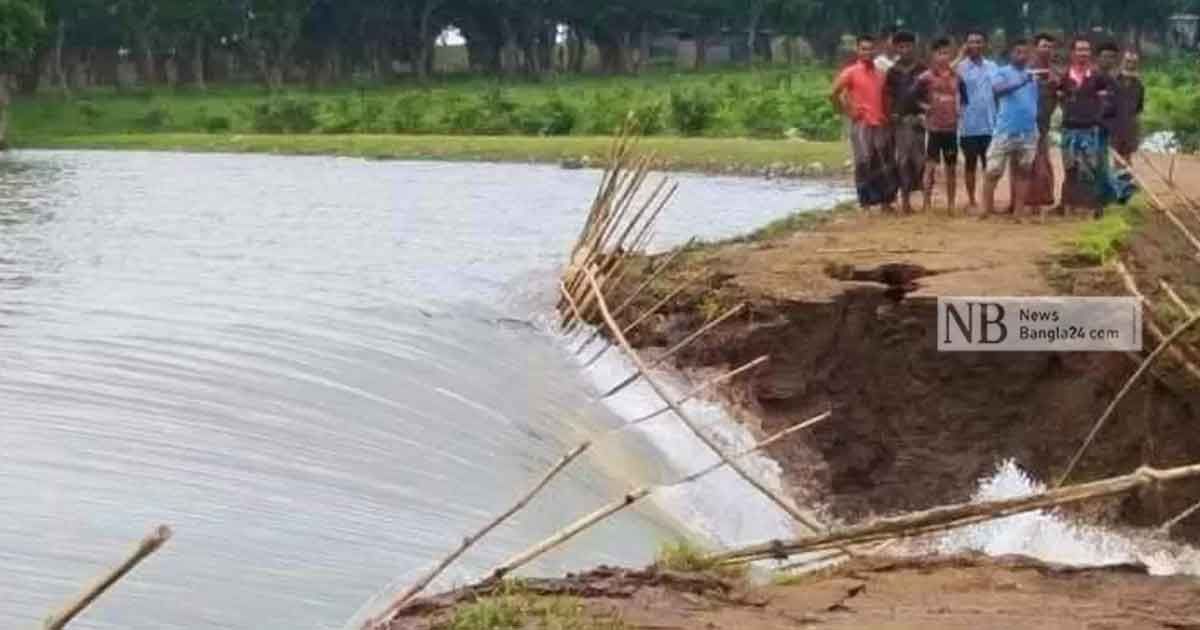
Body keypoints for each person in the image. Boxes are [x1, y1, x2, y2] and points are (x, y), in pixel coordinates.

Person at [832, 35, 898, 211]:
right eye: (863, 49)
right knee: (863, 162)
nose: (867, 52)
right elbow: (833, 93)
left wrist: (890, 117)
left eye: (870, 49)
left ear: (874, 50)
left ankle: (885, 202)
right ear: (857, 50)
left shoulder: (880, 73)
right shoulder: (851, 71)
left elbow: (886, 97)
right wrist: (847, 111)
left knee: (884, 162)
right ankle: (865, 203)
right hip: (861, 124)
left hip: (881, 123)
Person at [1059, 38, 1118, 217]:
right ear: (1073, 53)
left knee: (1089, 170)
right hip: (1069, 128)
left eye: (1086, 49)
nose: (1083, 53)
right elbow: (1058, 97)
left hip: (1089, 129)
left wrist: (1100, 109)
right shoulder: (1065, 76)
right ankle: (1069, 206)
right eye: (1079, 49)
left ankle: (1090, 208)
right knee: (1070, 169)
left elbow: (1115, 94)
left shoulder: (1098, 76)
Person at [983, 39, 1040, 217]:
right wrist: (1022, 81)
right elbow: (998, 90)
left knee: (1024, 171)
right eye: (1018, 52)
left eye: (1025, 52)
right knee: (993, 170)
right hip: (1005, 129)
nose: (1022, 56)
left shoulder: (1032, 76)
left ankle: (1018, 211)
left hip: (1028, 130)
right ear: (1010, 55)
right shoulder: (1001, 72)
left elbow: (1034, 100)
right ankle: (986, 210)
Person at [918, 37, 967, 212]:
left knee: (951, 168)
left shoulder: (957, 77)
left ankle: (951, 204)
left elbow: (965, 98)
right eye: (940, 53)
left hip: (951, 129)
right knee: (930, 168)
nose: (944, 57)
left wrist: (961, 109)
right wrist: (923, 109)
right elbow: (912, 97)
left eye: (947, 53)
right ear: (933, 55)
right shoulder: (926, 77)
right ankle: (926, 204)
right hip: (933, 129)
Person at [884, 31, 928, 213]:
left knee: (919, 161)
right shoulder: (892, 72)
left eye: (908, 46)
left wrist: (925, 113)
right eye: (901, 47)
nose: (905, 50)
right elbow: (888, 97)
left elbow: (928, 94)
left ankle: (926, 201)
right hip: (900, 122)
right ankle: (905, 202)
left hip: (918, 121)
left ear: (914, 47)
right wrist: (891, 115)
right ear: (896, 48)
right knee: (902, 161)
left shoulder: (922, 69)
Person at [956, 29, 999, 211]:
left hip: (990, 124)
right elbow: (943, 74)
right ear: (966, 45)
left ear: (985, 45)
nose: (975, 45)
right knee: (970, 165)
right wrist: (959, 56)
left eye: (979, 41)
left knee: (989, 166)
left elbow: (999, 89)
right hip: (968, 124)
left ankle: (987, 201)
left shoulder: (993, 66)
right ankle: (972, 200)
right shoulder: (960, 66)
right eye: (971, 42)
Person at [1027, 33, 1061, 210]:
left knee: (1042, 162)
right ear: (1035, 48)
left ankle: (1041, 200)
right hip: (1025, 124)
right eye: (1043, 46)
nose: (1046, 49)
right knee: (1024, 163)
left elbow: (1060, 96)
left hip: (1043, 125)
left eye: (1049, 46)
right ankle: (1022, 202)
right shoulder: (1027, 69)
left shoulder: (1055, 72)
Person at [1109, 49, 1146, 163]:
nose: (1131, 65)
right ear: (1123, 62)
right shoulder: (1113, 80)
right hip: (1114, 126)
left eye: (1134, 62)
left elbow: (1139, 108)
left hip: (1130, 126)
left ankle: (1125, 180)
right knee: (1116, 158)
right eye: (1128, 61)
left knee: (1127, 158)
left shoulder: (1139, 84)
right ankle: (1116, 180)